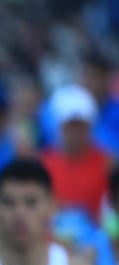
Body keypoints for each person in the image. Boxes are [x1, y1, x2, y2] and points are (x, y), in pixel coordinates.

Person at [40, 85, 111, 222]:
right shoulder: (43, 164)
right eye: (70, 126)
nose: (75, 132)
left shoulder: (108, 163)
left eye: (81, 125)